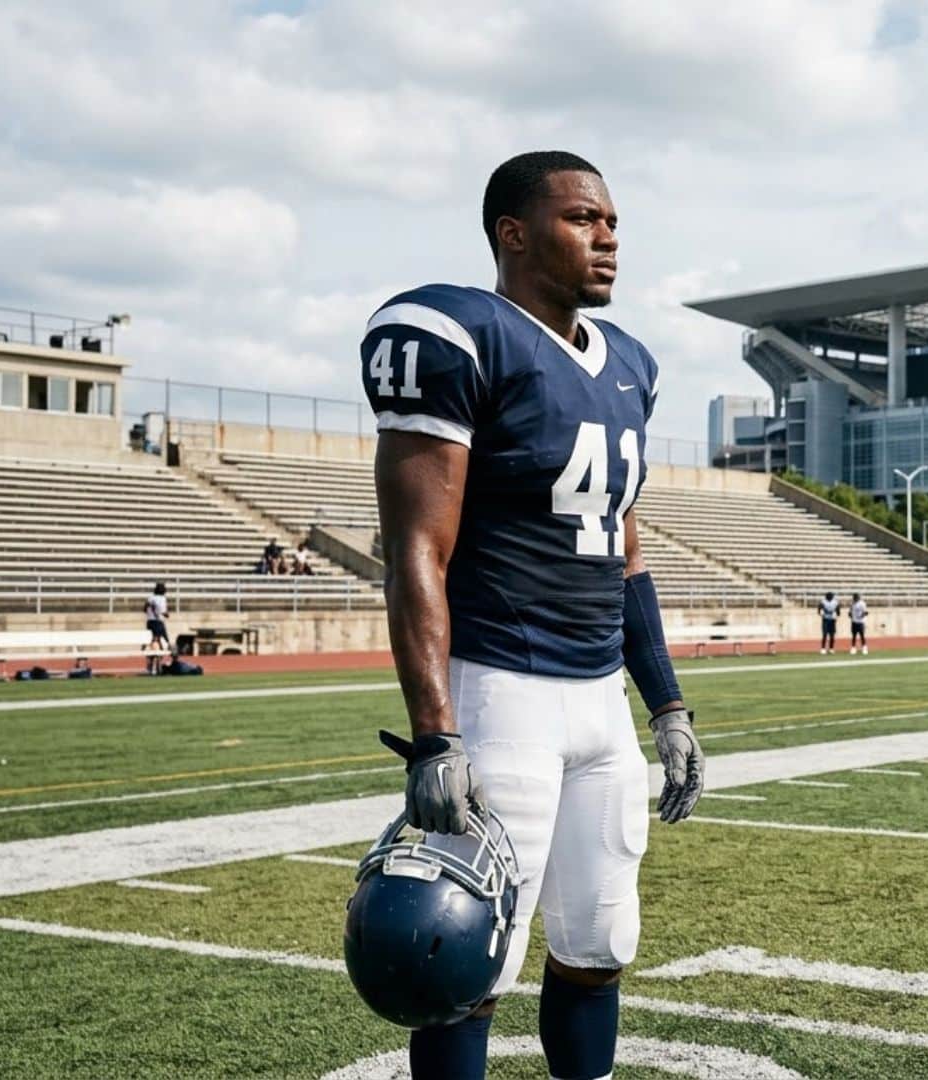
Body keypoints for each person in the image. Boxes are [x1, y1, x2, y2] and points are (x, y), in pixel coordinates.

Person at [362, 150, 704, 1080]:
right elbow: (416, 554)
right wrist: (436, 735)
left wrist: (666, 705)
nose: (609, 236)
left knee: (599, 944)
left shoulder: (630, 362)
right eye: (584, 218)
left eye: (614, 220)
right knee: (465, 959)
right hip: (499, 691)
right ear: (514, 233)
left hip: (599, 702)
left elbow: (627, 555)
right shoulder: (462, 333)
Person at [143, 582, 170, 673]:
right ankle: (157, 664)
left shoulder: (150, 597)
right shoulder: (162, 599)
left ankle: (151, 663)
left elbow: (144, 609)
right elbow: (163, 611)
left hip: (150, 622)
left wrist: (151, 612)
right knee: (163, 641)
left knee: (152, 642)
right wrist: (166, 615)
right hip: (158, 622)